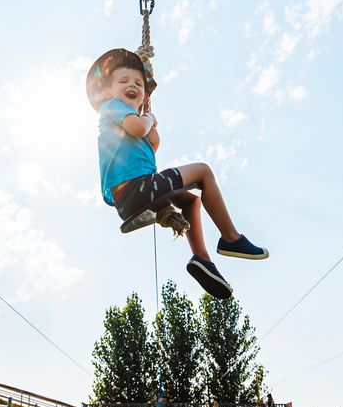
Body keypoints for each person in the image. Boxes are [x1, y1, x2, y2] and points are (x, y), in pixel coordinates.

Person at [86, 48, 268, 299]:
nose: (133, 85)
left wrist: (148, 124)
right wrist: (148, 119)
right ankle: (230, 237)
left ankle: (202, 259)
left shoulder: (123, 120)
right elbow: (140, 128)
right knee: (203, 172)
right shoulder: (111, 106)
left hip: (135, 194)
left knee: (190, 201)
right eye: (124, 81)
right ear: (107, 91)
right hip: (137, 188)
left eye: (138, 83)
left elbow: (150, 146)